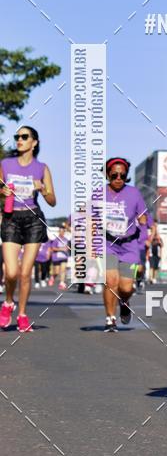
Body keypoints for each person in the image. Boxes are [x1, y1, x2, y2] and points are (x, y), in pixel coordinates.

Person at [0, 126, 57, 331]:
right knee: (12, 272)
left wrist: (42, 188)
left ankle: (22, 314)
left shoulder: (42, 168)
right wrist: (2, 191)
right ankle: (8, 302)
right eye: (17, 137)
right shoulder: (5, 164)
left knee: (25, 273)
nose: (19, 140)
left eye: (24, 137)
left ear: (34, 142)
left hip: (33, 219)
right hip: (11, 219)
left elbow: (52, 201)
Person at [103, 157, 147, 331]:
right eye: (114, 175)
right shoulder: (99, 193)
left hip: (129, 246)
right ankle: (110, 318)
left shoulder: (134, 193)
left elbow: (143, 219)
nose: (118, 178)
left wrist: (143, 244)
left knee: (126, 287)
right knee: (110, 280)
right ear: (108, 175)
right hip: (107, 243)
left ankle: (125, 301)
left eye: (122, 175)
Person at [135, 211, 154, 291]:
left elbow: (153, 227)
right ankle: (132, 282)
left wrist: (149, 240)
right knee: (131, 266)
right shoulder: (129, 212)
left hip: (141, 246)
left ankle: (139, 279)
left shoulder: (145, 214)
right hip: (130, 245)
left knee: (140, 267)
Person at [49, 226, 70, 290]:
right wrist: (61, 249)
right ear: (59, 232)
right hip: (56, 257)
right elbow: (53, 248)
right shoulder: (56, 240)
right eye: (60, 231)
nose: (61, 232)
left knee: (63, 270)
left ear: (64, 232)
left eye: (63, 231)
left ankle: (61, 283)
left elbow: (67, 247)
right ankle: (53, 277)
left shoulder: (66, 240)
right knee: (57, 272)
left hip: (64, 257)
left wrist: (68, 248)